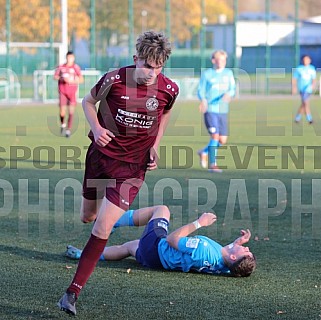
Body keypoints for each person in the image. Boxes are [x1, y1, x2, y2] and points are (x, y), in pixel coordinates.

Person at [57, 31, 179, 316]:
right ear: (136, 59)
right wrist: (97, 130)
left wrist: (155, 146)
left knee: (102, 228)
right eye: (147, 65)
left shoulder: (169, 90)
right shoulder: (113, 80)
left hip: (132, 168)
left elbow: (164, 114)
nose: (151, 73)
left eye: (157, 67)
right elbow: (87, 102)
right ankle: (108, 213)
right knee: (88, 217)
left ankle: (71, 293)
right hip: (100, 158)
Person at [65, 205, 256, 278]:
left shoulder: (203, 248)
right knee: (128, 248)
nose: (246, 248)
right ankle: (83, 254)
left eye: (245, 251)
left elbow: (173, 239)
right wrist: (236, 243)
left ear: (234, 256)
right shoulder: (225, 267)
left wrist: (199, 223)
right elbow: (226, 257)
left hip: (158, 248)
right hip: (157, 262)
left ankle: (113, 222)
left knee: (162, 210)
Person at [197, 50, 236, 172]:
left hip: (223, 110)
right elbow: (201, 90)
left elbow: (232, 88)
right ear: (214, 61)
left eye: (224, 60)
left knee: (222, 140)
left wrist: (229, 94)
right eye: (219, 60)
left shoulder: (228, 73)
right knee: (215, 136)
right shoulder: (207, 74)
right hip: (210, 110)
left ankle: (203, 152)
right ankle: (213, 165)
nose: (222, 62)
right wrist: (203, 100)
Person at [54, 51, 84, 137]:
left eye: (71, 57)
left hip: (72, 93)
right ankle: (63, 124)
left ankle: (68, 130)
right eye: (68, 57)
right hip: (62, 92)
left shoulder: (76, 67)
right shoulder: (61, 67)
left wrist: (73, 81)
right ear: (66, 58)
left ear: (73, 58)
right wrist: (62, 78)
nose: (69, 59)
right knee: (62, 112)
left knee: (71, 112)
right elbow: (55, 76)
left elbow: (81, 79)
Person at [292, 54, 316, 124]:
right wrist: (294, 87)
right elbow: (294, 79)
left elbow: (314, 79)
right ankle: (310, 119)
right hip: (302, 89)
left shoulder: (312, 68)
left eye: (307, 59)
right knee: (306, 103)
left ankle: (297, 118)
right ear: (302, 60)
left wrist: (313, 85)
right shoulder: (299, 69)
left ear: (310, 60)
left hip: (309, 89)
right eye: (305, 59)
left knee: (304, 103)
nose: (306, 61)